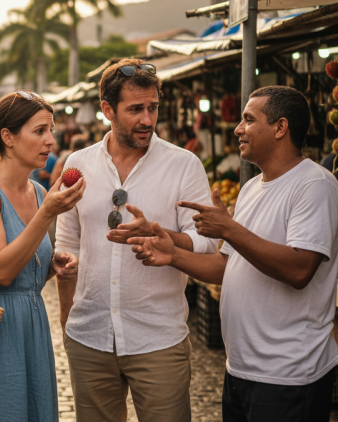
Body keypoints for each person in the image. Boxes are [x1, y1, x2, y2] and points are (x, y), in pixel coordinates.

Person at [132, 86, 338, 422]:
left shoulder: (314, 185)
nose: (237, 128)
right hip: (241, 369)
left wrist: (229, 228)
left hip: (287, 375)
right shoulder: (251, 188)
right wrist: (172, 254)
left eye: (248, 119)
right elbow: (225, 267)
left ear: (280, 128)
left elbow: (300, 270)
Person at [55, 58, 217, 422]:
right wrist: (69, 326)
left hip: (158, 338)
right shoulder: (77, 166)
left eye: (153, 107)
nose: (147, 119)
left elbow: (207, 242)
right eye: (135, 109)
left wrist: (167, 240)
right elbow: (66, 247)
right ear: (107, 110)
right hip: (89, 337)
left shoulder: (184, 165)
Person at [0, 90, 85, 422]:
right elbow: (2, 271)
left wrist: (52, 268)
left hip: (30, 321)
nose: (51, 141)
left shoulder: (37, 191)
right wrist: (47, 213)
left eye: (51, 130)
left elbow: (24, 270)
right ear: (7, 137)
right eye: (39, 131)